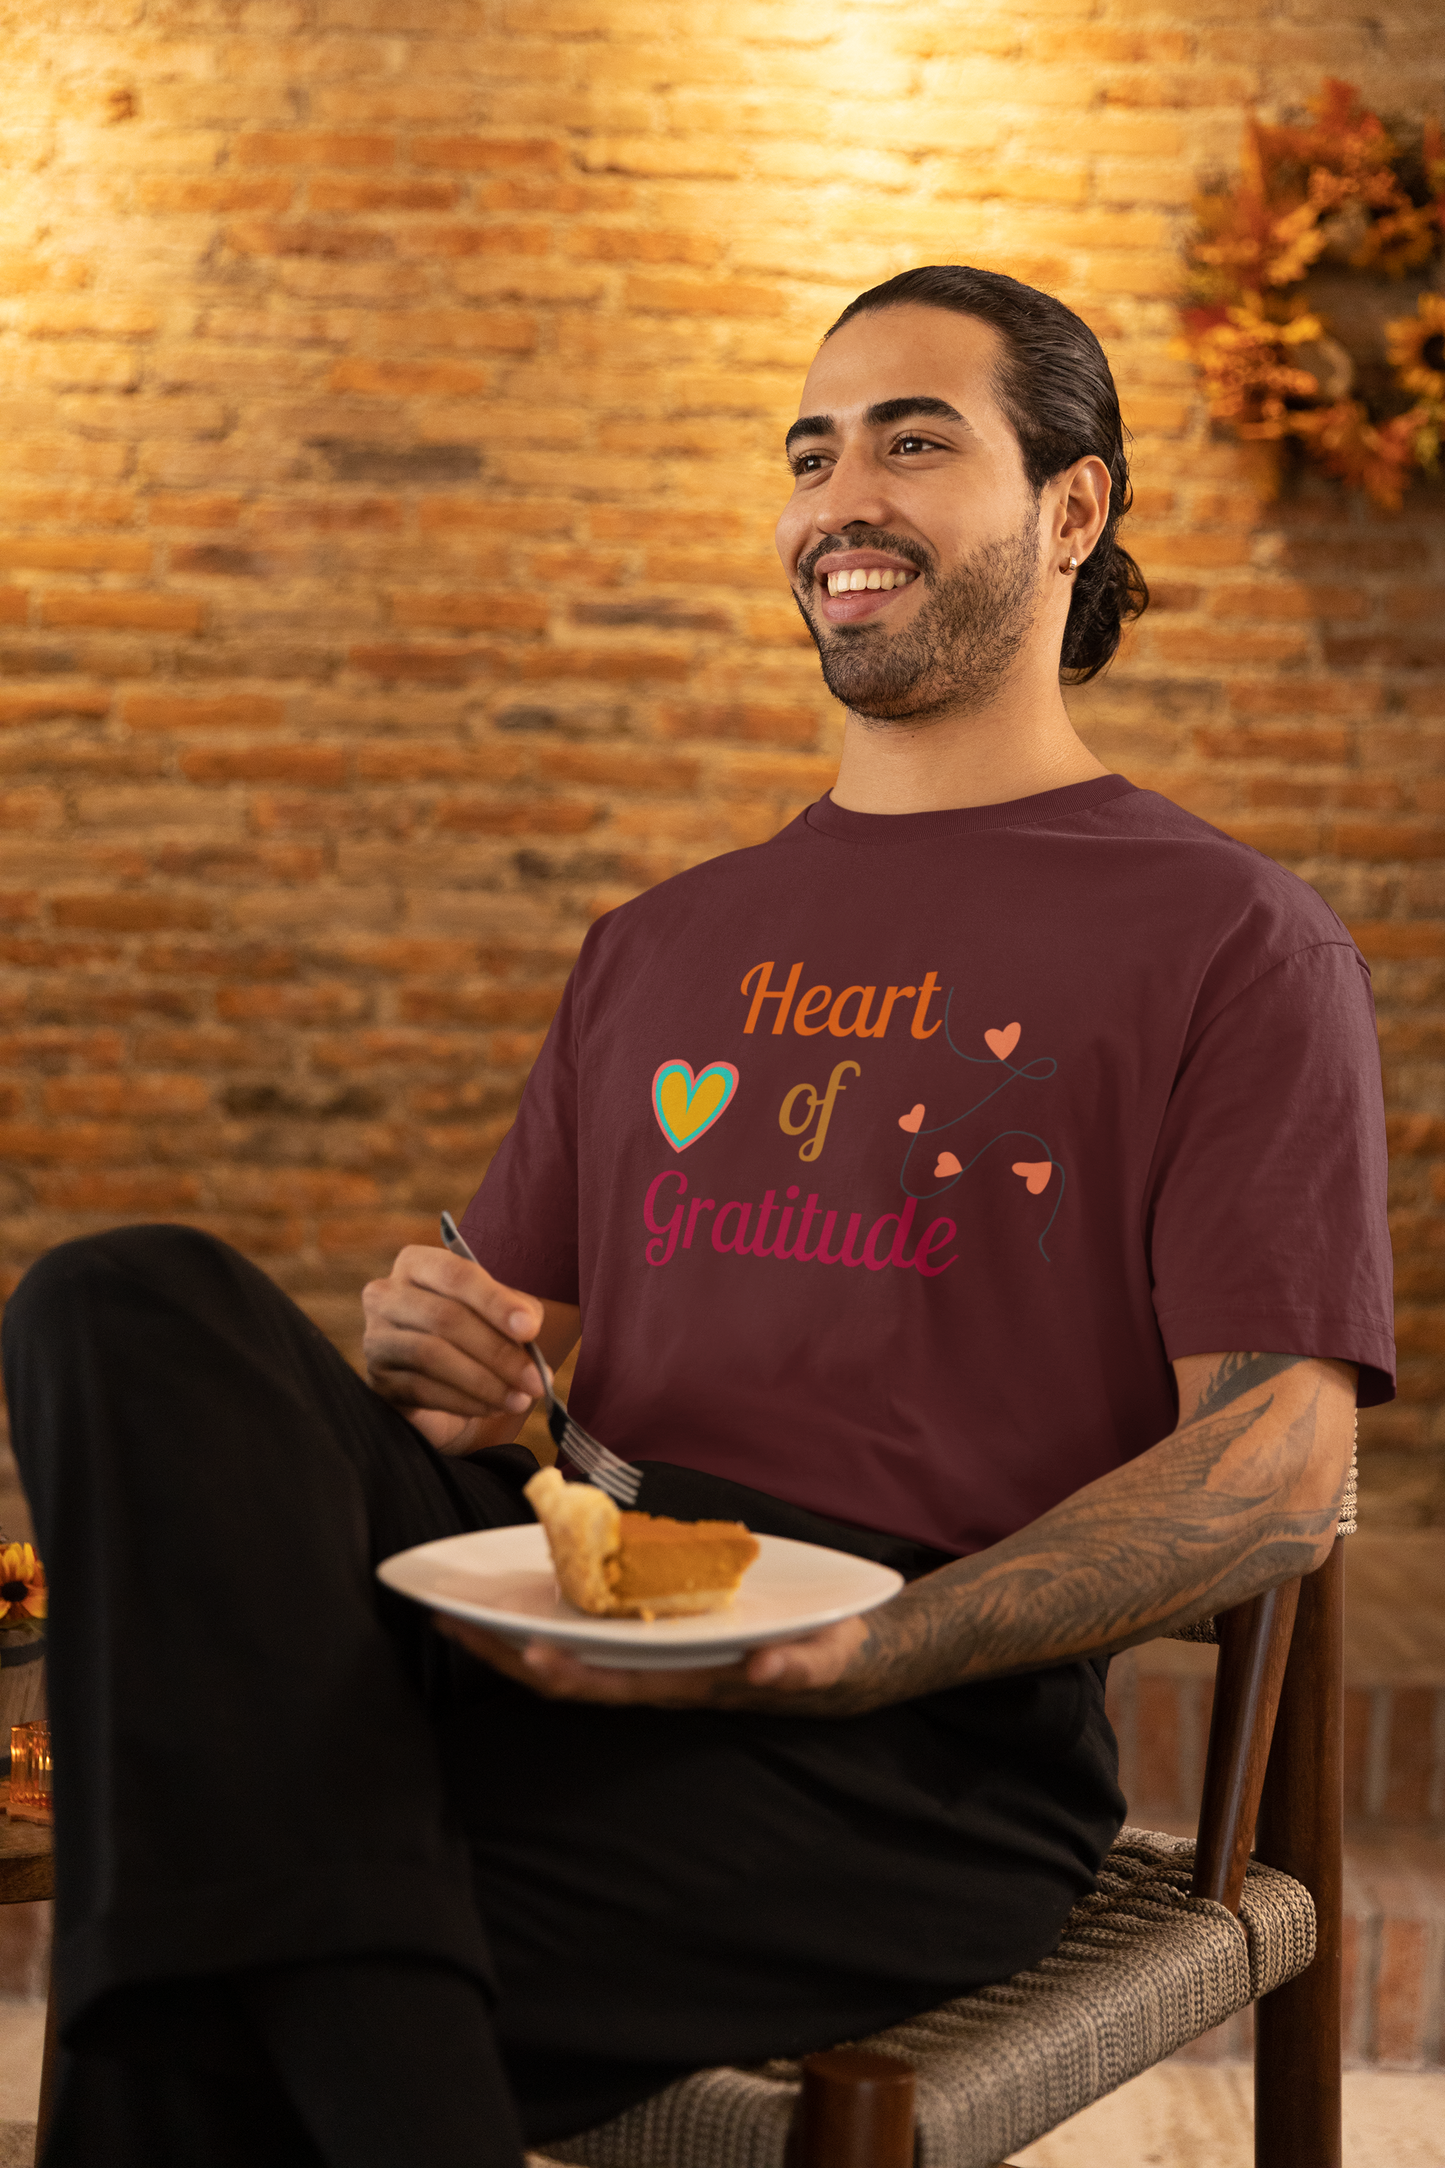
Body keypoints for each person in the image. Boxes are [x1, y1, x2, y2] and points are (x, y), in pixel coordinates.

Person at [3, 265, 1393, 2168]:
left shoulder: (1235, 939)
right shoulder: (659, 945)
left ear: (1074, 511)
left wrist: (867, 1653)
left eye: (916, 440)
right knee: (118, 1297)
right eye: (811, 454)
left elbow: (1273, 1464)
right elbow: (491, 1397)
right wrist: (437, 1361)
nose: (841, 498)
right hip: (567, 1615)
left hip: (905, 1753)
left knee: (199, 1929)